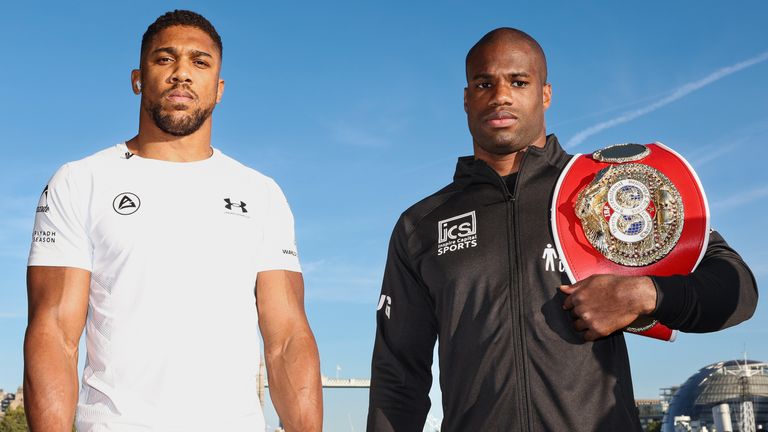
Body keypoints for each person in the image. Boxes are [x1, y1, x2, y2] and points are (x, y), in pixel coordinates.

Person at [366, 28, 758, 431]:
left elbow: (738, 288)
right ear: (467, 98)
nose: (500, 95)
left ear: (545, 94)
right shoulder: (422, 224)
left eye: (519, 82)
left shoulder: (610, 189)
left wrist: (643, 293)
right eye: (484, 83)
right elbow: (398, 377)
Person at [24, 10, 322, 432]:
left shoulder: (262, 194)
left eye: (200, 62)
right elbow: (54, 334)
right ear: (137, 78)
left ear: (218, 89)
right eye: (165, 60)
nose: (182, 73)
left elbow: (287, 337)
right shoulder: (81, 181)